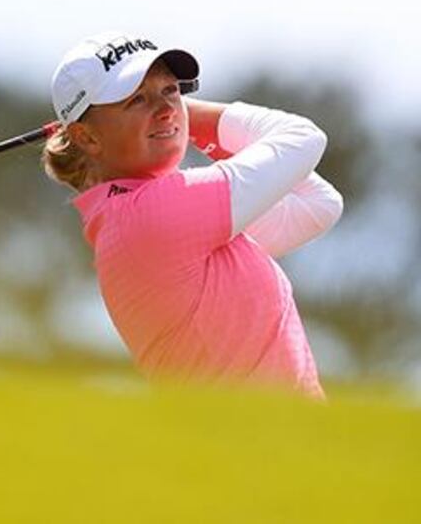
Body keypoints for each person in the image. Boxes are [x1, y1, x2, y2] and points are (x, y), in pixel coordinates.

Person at [43, 31, 343, 399]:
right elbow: (303, 138)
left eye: (171, 90)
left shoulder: (144, 218)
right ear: (87, 138)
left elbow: (318, 205)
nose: (167, 107)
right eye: (136, 99)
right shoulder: (151, 216)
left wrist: (177, 119)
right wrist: (197, 118)